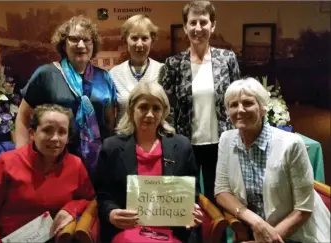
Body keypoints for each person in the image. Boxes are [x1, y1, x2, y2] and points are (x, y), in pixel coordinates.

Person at [214, 78, 330, 243]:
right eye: (233, 105)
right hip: (254, 231)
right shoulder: (226, 139)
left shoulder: (291, 144)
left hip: (296, 234)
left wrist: (268, 238)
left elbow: (303, 209)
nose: (240, 110)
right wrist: (257, 223)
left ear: (262, 108)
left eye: (247, 103)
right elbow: (222, 191)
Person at [93, 82, 203, 243]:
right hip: (129, 230)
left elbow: (192, 192)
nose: (150, 114)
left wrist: (192, 208)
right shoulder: (111, 147)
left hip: (172, 231)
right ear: (131, 110)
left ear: (164, 111)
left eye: (156, 108)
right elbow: (103, 195)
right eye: (143, 107)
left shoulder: (182, 146)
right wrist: (111, 213)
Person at [0, 104, 95, 243]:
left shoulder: (76, 165)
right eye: (47, 130)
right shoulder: (7, 163)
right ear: (32, 133)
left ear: (68, 138)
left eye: (62, 132)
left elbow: (90, 200)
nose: (55, 138)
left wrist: (71, 209)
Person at [15, 15, 117, 173]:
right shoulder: (46, 74)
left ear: (93, 44)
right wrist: (20, 158)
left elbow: (110, 123)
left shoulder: (104, 77)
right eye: (74, 39)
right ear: (63, 44)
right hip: (54, 161)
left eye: (86, 39)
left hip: (98, 163)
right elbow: (23, 118)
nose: (81, 45)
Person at [160, 1, 240, 202]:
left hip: (221, 144)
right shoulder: (174, 64)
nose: (198, 28)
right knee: (187, 201)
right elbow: (163, 106)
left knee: (220, 200)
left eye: (203, 22)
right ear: (185, 27)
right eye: (192, 22)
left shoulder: (227, 59)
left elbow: (238, 99)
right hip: (186, 145)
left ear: (212, 26)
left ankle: (218, 235)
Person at [110, 14, 164, 122]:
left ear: (152, 40)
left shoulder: (163, 70)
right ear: (125, 40)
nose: (139, 44)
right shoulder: (114, 74)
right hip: (123, 137)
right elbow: (110, 115)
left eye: (144, 38)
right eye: (134, 38)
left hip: (154, 136)